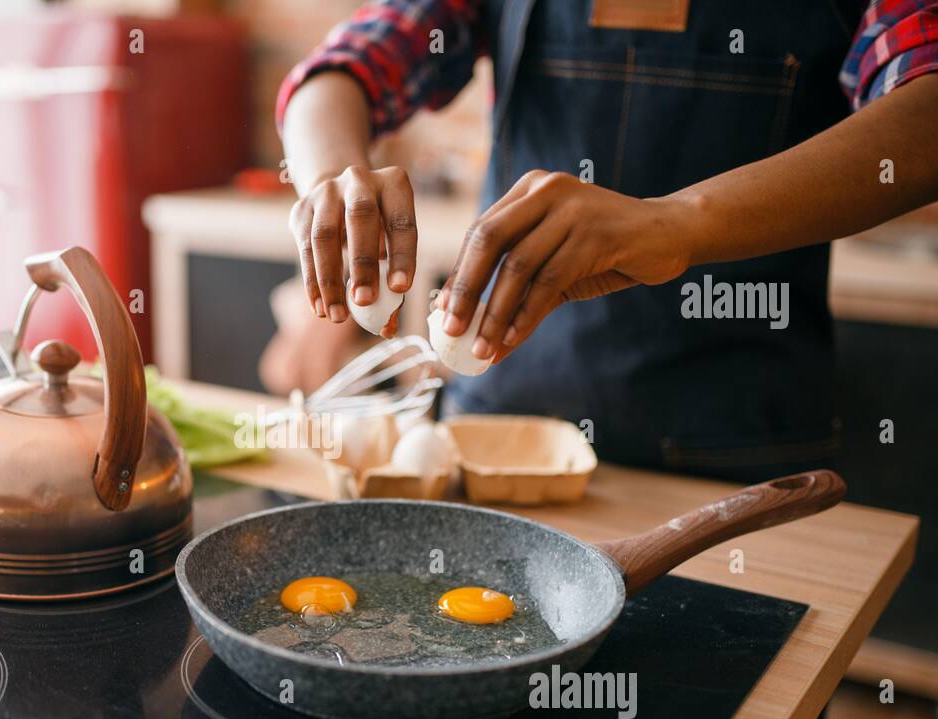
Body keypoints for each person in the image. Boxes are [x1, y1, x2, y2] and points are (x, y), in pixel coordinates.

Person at [276, 0, 938, 481]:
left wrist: (676, 224)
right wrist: (332, 178)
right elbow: (347, 64)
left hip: (743, 460)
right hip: (498, 443)